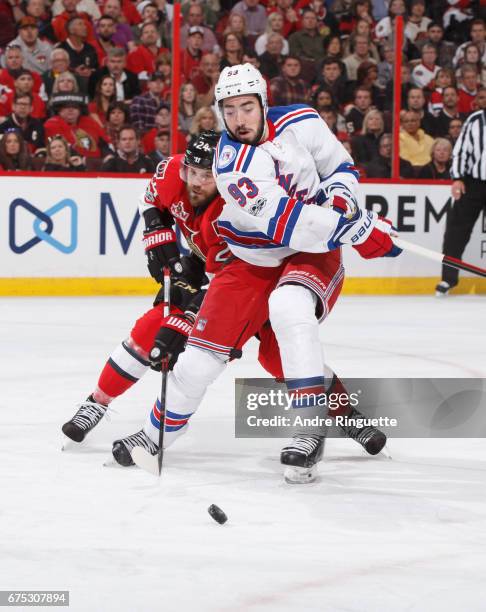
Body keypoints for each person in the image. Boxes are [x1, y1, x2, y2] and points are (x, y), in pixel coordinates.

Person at [114, 64, 397, 483]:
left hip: (309, 254)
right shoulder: (232, 164)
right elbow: (284, 222)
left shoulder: (303, 121)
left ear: (264, 102)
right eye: (229, 110)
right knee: (198, 361)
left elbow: (341, 169)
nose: (239, 119)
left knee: (288, 306)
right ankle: (155, 433)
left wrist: (344, 206)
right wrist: (351, 229)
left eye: (247, 107)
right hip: (252, 258)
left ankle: (309, 426)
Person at [436, 97, 486, 296]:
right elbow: (461, 151)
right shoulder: (476, 120)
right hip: (473, 184)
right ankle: (448, 279)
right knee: (456, 232)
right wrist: (457, 178)